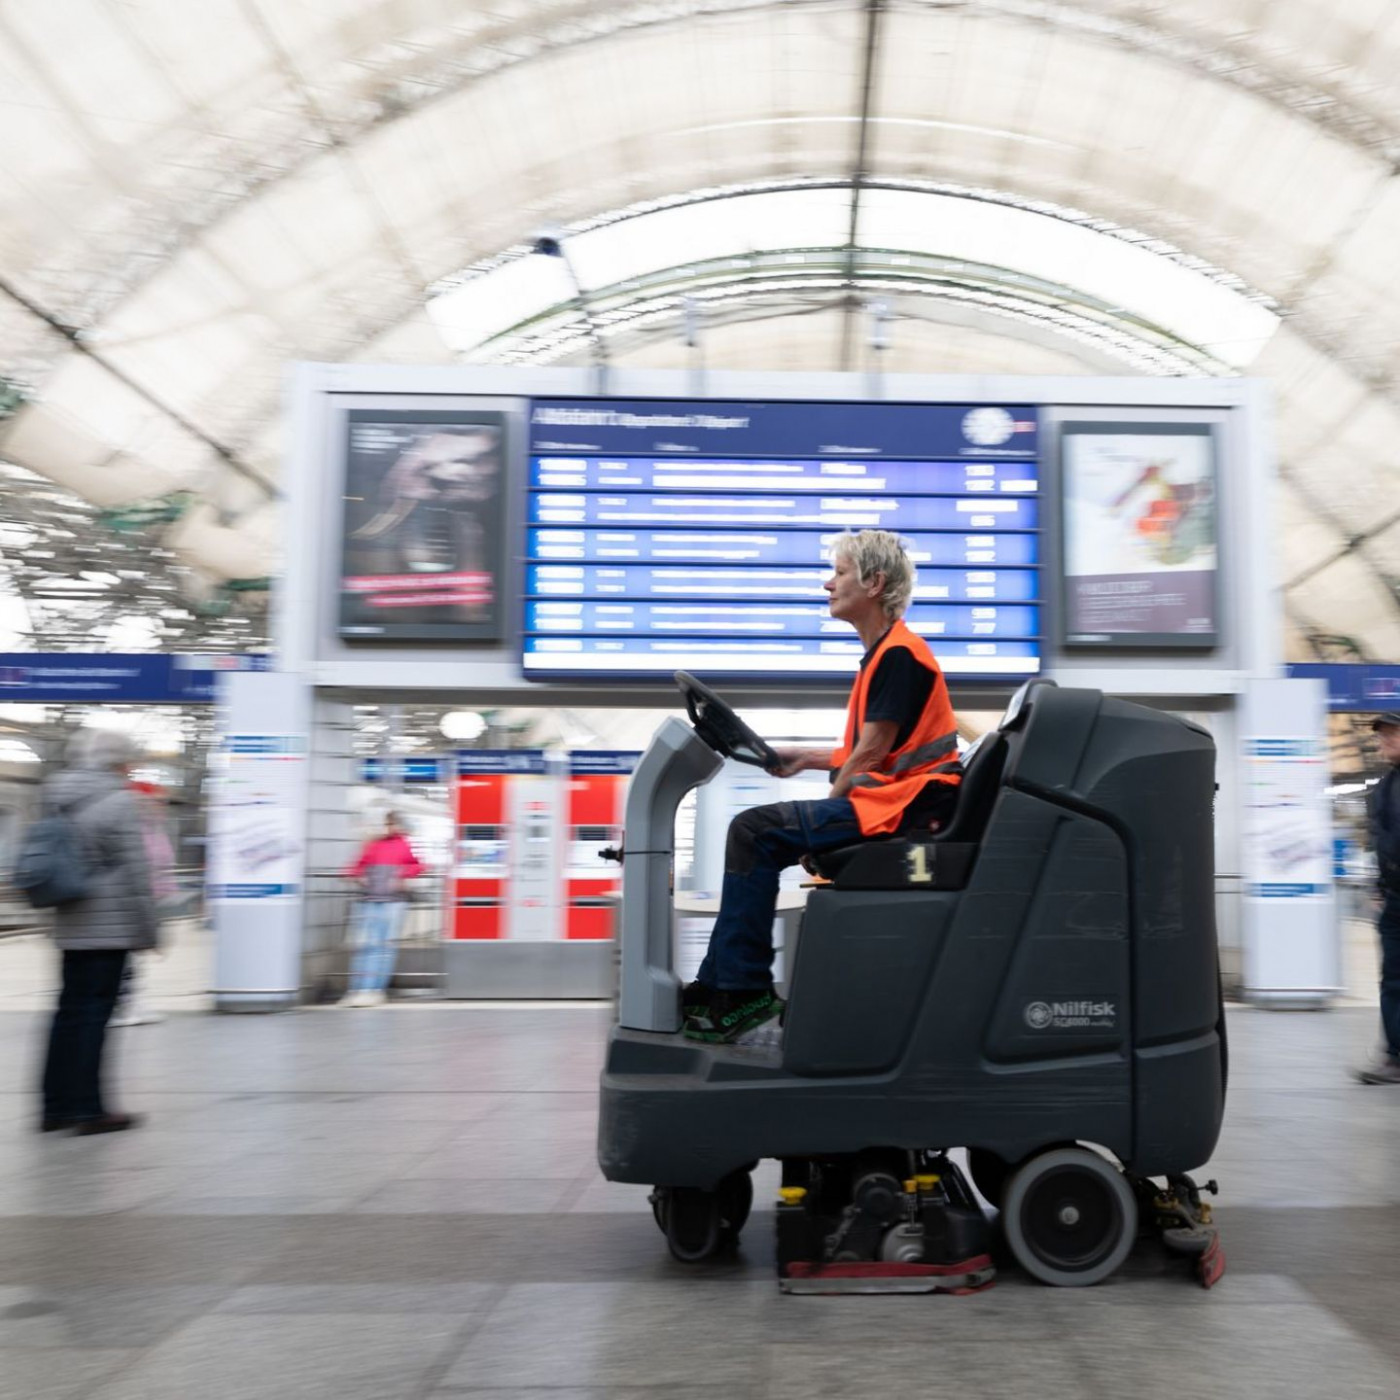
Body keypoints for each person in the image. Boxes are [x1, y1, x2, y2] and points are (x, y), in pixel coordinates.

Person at [682, 529, 963, 1043]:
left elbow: (873, 754)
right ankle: (714, 986)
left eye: (838, 572)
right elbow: (876, 752)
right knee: (757, 832)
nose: (826, 583)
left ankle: (741, 993)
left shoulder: (900, 655)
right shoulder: (886, 654)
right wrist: (805, 758)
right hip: (895, 799)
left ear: (874, 583)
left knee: (756, 831)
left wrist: (819, 828)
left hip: (906, 807)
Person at [38, 729, 157, 1134]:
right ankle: (90, 1110)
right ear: (118, 761)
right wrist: (149, 930)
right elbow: (138, 873)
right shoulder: (120, 800)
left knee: (68, 1013)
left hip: (70, 918)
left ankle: (54, 1109)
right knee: (94, 1017)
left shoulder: (56, 795)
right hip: (111, 925)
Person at [1355, 711, 1400, 1084]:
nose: (1384, 742)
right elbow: (1382, 842)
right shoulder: (1385, 785)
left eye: (1391, 735)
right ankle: (1395, 1058)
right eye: (1382, 736)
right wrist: (1380, 889)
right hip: (1395, 900)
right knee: (1392, 978)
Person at [343, 810, 424, 1007]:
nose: (389, 827)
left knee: (381, 947)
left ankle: (372, 990)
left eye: (392, 824)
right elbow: (356, 866)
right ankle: (358, 990)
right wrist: (357, 875)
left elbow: (418, 865)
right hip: (372, 900)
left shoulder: (402, 844)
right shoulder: (372, 845)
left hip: (392, 902)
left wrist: (403, 876)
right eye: (387, 824)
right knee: (369, 947)